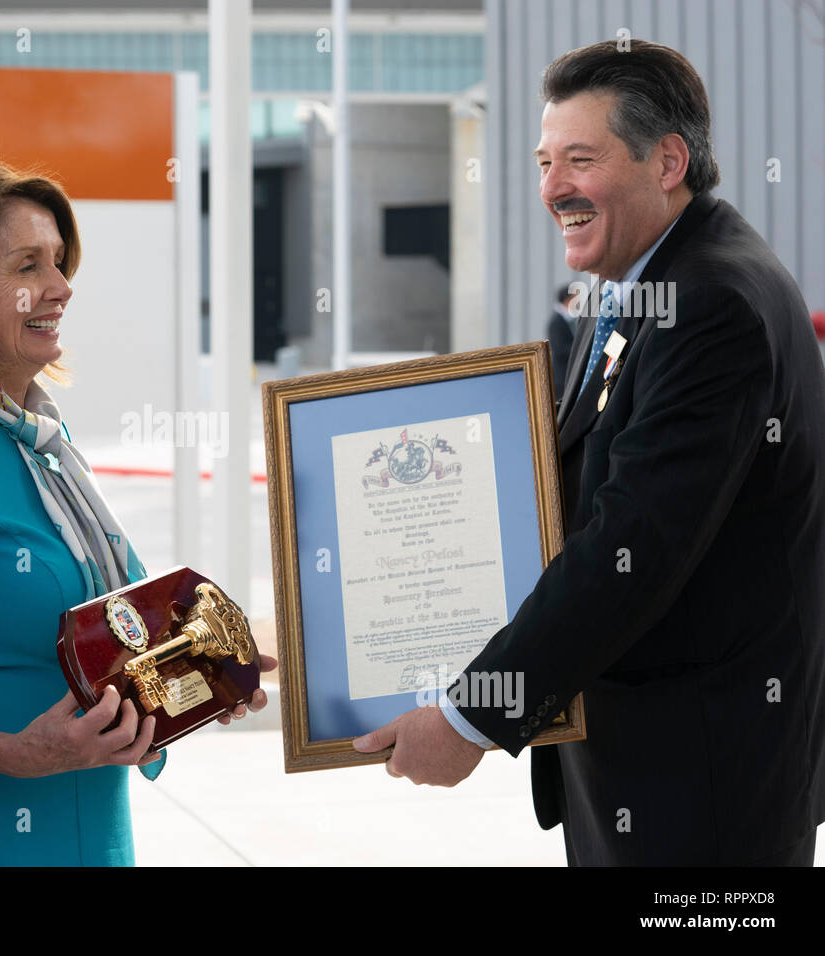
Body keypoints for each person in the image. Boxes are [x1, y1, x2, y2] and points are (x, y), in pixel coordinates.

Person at [354, 40, 825, 866]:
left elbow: (629, 547)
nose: (552, 190)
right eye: (543, 162)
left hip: (700, 786)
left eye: (580, 159)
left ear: (668, 160)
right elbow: (576, 482)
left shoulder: (711, 304)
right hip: (646, 766)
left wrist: (470, 714)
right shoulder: (633, 286)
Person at [0, 165, 272, 866]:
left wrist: (204, 675)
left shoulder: (43, 441)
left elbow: (111, 641)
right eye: (29, 266)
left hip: (95, 826)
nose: (62, 287)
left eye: (59, 263)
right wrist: (13, 756)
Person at [545, 282, 578, 396]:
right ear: (567, 300)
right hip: (561, 377)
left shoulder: (569, 319)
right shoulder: (556, 322)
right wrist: (579, 349)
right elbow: (559, 348)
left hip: (567, 374)